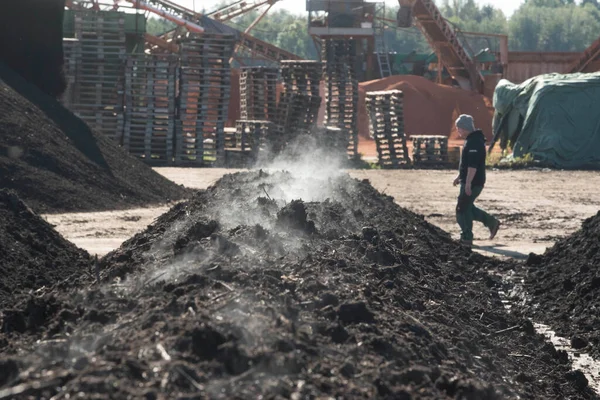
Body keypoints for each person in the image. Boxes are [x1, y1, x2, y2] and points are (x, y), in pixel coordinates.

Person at [453, 114, 500, 248]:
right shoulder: (472, 140)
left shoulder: (474, 142)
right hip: (470, 181)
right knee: (468, 208)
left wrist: (468, 183)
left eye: (459, 128)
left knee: (462, 209)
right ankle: (492, 222)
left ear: (464, 127)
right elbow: (466, 163)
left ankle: (466, 237)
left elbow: (472, 166)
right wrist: (459, 177)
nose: (458, 131)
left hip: (474, 182)